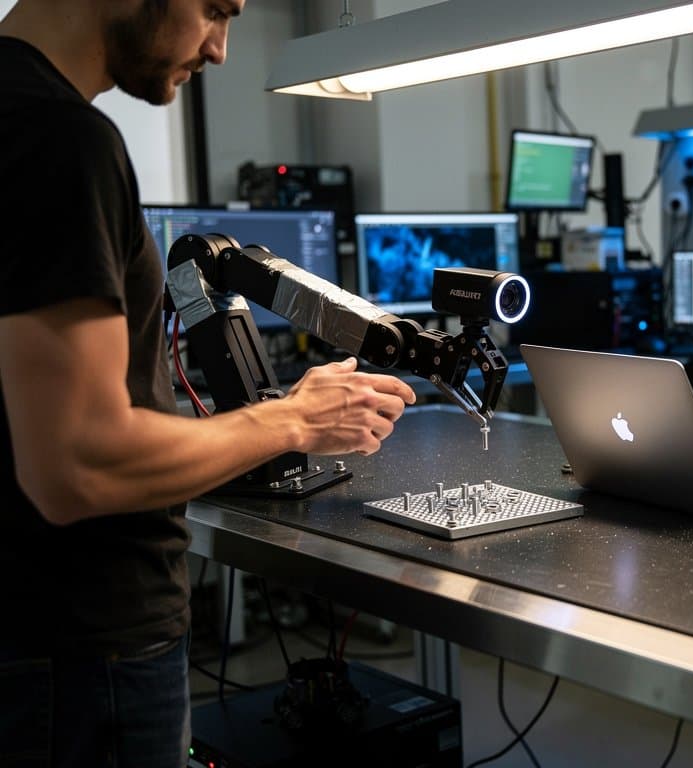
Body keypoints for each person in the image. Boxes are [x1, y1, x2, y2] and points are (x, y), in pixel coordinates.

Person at [0, 2, 416, 766]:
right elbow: (78, 464)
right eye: (215, 9)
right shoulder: (63, 140)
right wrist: (292, 420)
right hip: (85, 653)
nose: (221, 48)